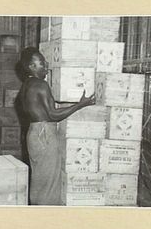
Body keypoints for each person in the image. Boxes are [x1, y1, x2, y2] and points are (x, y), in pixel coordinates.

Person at [18, 47, 95, 205]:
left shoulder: (27, 85)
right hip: (44, 133)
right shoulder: (41, 84)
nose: (46, 64)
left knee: (40, 180)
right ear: (32, 66)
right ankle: (49, 220)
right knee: (50, 183)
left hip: (34, 133)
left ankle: (38, 214)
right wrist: (81, 105)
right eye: (41, 62)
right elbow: (53, 115)